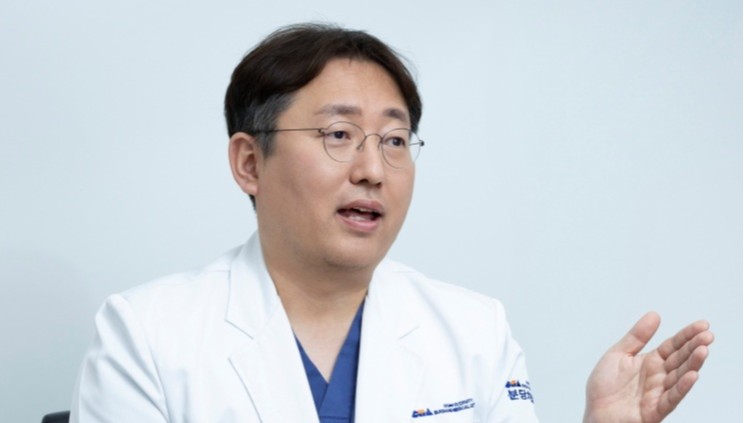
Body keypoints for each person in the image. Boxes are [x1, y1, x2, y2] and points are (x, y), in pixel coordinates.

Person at [70, 23, 714, 423]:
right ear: (249, 162)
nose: (373, 169)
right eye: (339, 134)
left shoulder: (473, 329)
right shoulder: (148, 335)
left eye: (395, 140)